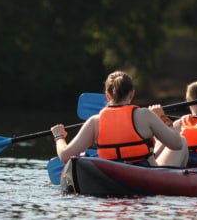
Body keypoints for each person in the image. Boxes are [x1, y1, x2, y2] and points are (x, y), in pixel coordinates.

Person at [51, 70, 184, 166]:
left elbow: (65, 156)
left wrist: (59, 137)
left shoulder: (95, 121)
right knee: (183, 140)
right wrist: (162, 118)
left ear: (108, 96)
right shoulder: (144, 115)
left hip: (110, 174)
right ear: (131, 94)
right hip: (145, 174)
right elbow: (176, 144)